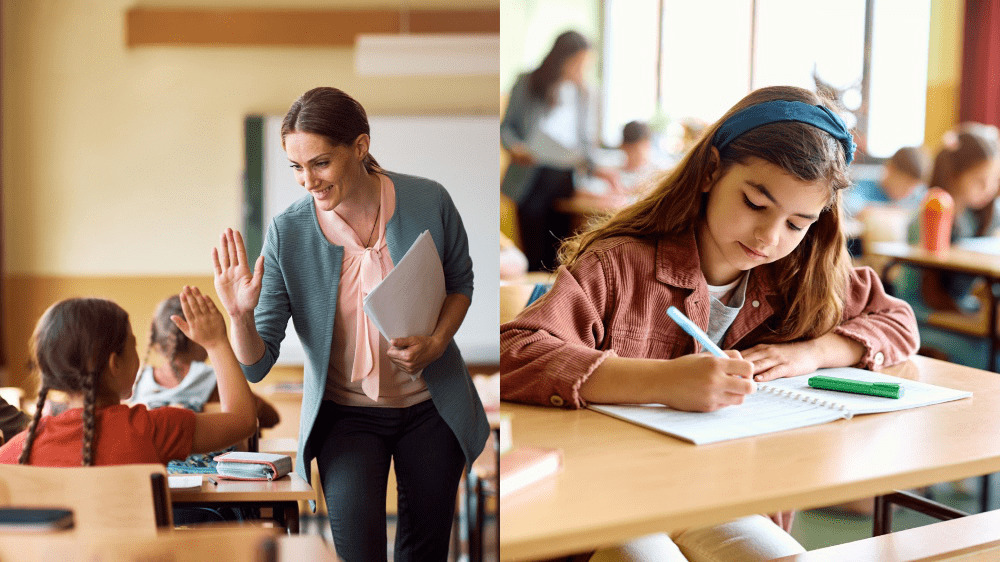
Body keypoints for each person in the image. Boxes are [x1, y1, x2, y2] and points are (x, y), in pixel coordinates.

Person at [500, 85, 920, 561]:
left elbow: (896, 319)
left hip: (730, 497)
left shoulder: (802, 275)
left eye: (796, 223)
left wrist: (812, 352)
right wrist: (662, 382)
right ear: (711, 172)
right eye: (755, 204)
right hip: (613, 499)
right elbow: (515, 352)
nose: (769, 236)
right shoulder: (620, 264)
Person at [211, 87, 489, 561]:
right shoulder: (288, 231)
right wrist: (238, 316)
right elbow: (258, 366)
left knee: (424, 552)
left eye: (320, 163)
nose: (308, 181)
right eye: (296, 168)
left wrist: (438, 341)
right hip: (346, 416)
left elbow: (461, 282)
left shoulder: (428, 199)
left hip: (431, 408)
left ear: (359, 148)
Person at [0, 287, 258, 466]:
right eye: (132, 345)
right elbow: (244, 421)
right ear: (115, 364)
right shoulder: (156, 429)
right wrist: (216, 343)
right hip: (142, 548)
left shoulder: (14, 454)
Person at [501, 30, 621, 272]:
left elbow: (587, 145)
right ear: (561, 58)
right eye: (577, 62)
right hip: (531, 177)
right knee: (535, 257)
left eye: (585, 64)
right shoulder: (528, 83)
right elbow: (506, 128)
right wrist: (515, 147)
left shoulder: (586, 94)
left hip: (566, 179)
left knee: (562, 257)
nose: (581, 69)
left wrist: (600, 168)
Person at [130, 294, 279, 429]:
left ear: (155, 337)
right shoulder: (216, 380)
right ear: (197, 338)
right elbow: (270, 418)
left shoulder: (136, 382)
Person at [897, 126, 1000, 315]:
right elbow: (930, 293)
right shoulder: (930, 213)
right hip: (921, 313)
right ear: (954, 175)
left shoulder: (972, 216)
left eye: (994, 180)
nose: (989, 189)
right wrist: (972, 317)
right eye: (979, 180)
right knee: (986, 341)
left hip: (956, 305)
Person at [843, 145, 930, 218]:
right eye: (905, 184)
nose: (908, 191)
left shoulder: (917, 195)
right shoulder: (865, 184)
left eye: (913, 187)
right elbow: (848, 206)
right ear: (890, 169)